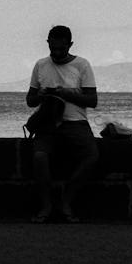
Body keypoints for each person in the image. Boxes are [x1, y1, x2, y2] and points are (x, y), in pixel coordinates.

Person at [26, 24, 99, 222]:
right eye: (53, 49)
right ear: (48, 44)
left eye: (62, 49)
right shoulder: (41, 65)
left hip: (75, 122)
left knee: (92, 157)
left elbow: (92, 101)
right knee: (39, 157)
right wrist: (41, 95)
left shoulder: (82, 65)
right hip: (48, 123)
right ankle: (47, 205)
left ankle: (66, 200)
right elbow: (30, 100)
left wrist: (66, 94)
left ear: (70, 45)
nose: (57, 53)